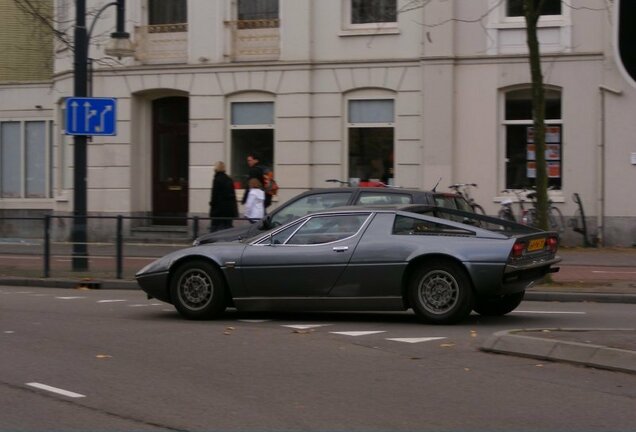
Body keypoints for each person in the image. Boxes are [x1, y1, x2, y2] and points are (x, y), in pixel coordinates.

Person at [209, 161, 238, 232]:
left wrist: (212, 205)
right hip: (229, 210)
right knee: (228, 228)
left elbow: (214, 195)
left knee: (215, 229)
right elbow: (232, 195)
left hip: (219, 209)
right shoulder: (229, 179)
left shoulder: (217, 179)